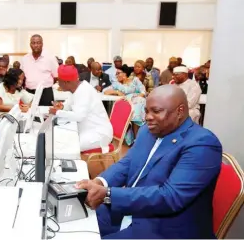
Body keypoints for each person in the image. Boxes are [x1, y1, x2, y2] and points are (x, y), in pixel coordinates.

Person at [76, 85, 222, 239]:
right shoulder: (148, 130)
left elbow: (170, 196)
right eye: (146, 111)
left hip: (164, 228)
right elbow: (128, 163)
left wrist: (109, 194)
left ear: (180, 111)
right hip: (131, 207)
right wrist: (100, 182)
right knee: (73, 222)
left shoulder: (202, 144)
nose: (147, 117)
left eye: (156, 111)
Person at [49, 65, 113, 152]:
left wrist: (57, 112)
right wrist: (62, 107)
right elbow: (69, 103)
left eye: (58, 81)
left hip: (99, 134)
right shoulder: (77, 88)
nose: (58, 84)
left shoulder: (83, 91)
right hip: (88, 130)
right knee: (60, 139)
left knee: (66, 147)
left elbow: (78, 116)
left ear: (66, 82)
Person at [104, 70, 146, 144]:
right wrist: (117, 92)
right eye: (116, 74)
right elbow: (105, 91)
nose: (117, 76)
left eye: (118, 73)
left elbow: (143, 91)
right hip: (127, 102)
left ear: (125, 73)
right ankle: (137, 140)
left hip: (138, 100)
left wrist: (136, 97)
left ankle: (138, 139)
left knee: (138, 105)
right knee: (135, 112)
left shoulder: (135, 80)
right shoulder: (116, 84)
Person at [21, 34, 58, 106]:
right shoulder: (25, 58)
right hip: (29, 93)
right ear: (30, 44)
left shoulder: (50, 58)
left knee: (46, 115)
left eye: (38, 43)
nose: (36, 45)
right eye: (33, 43)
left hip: (45, 93)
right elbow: (22, 77)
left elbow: (56, 76)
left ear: (42, 44)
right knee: (28, 115)